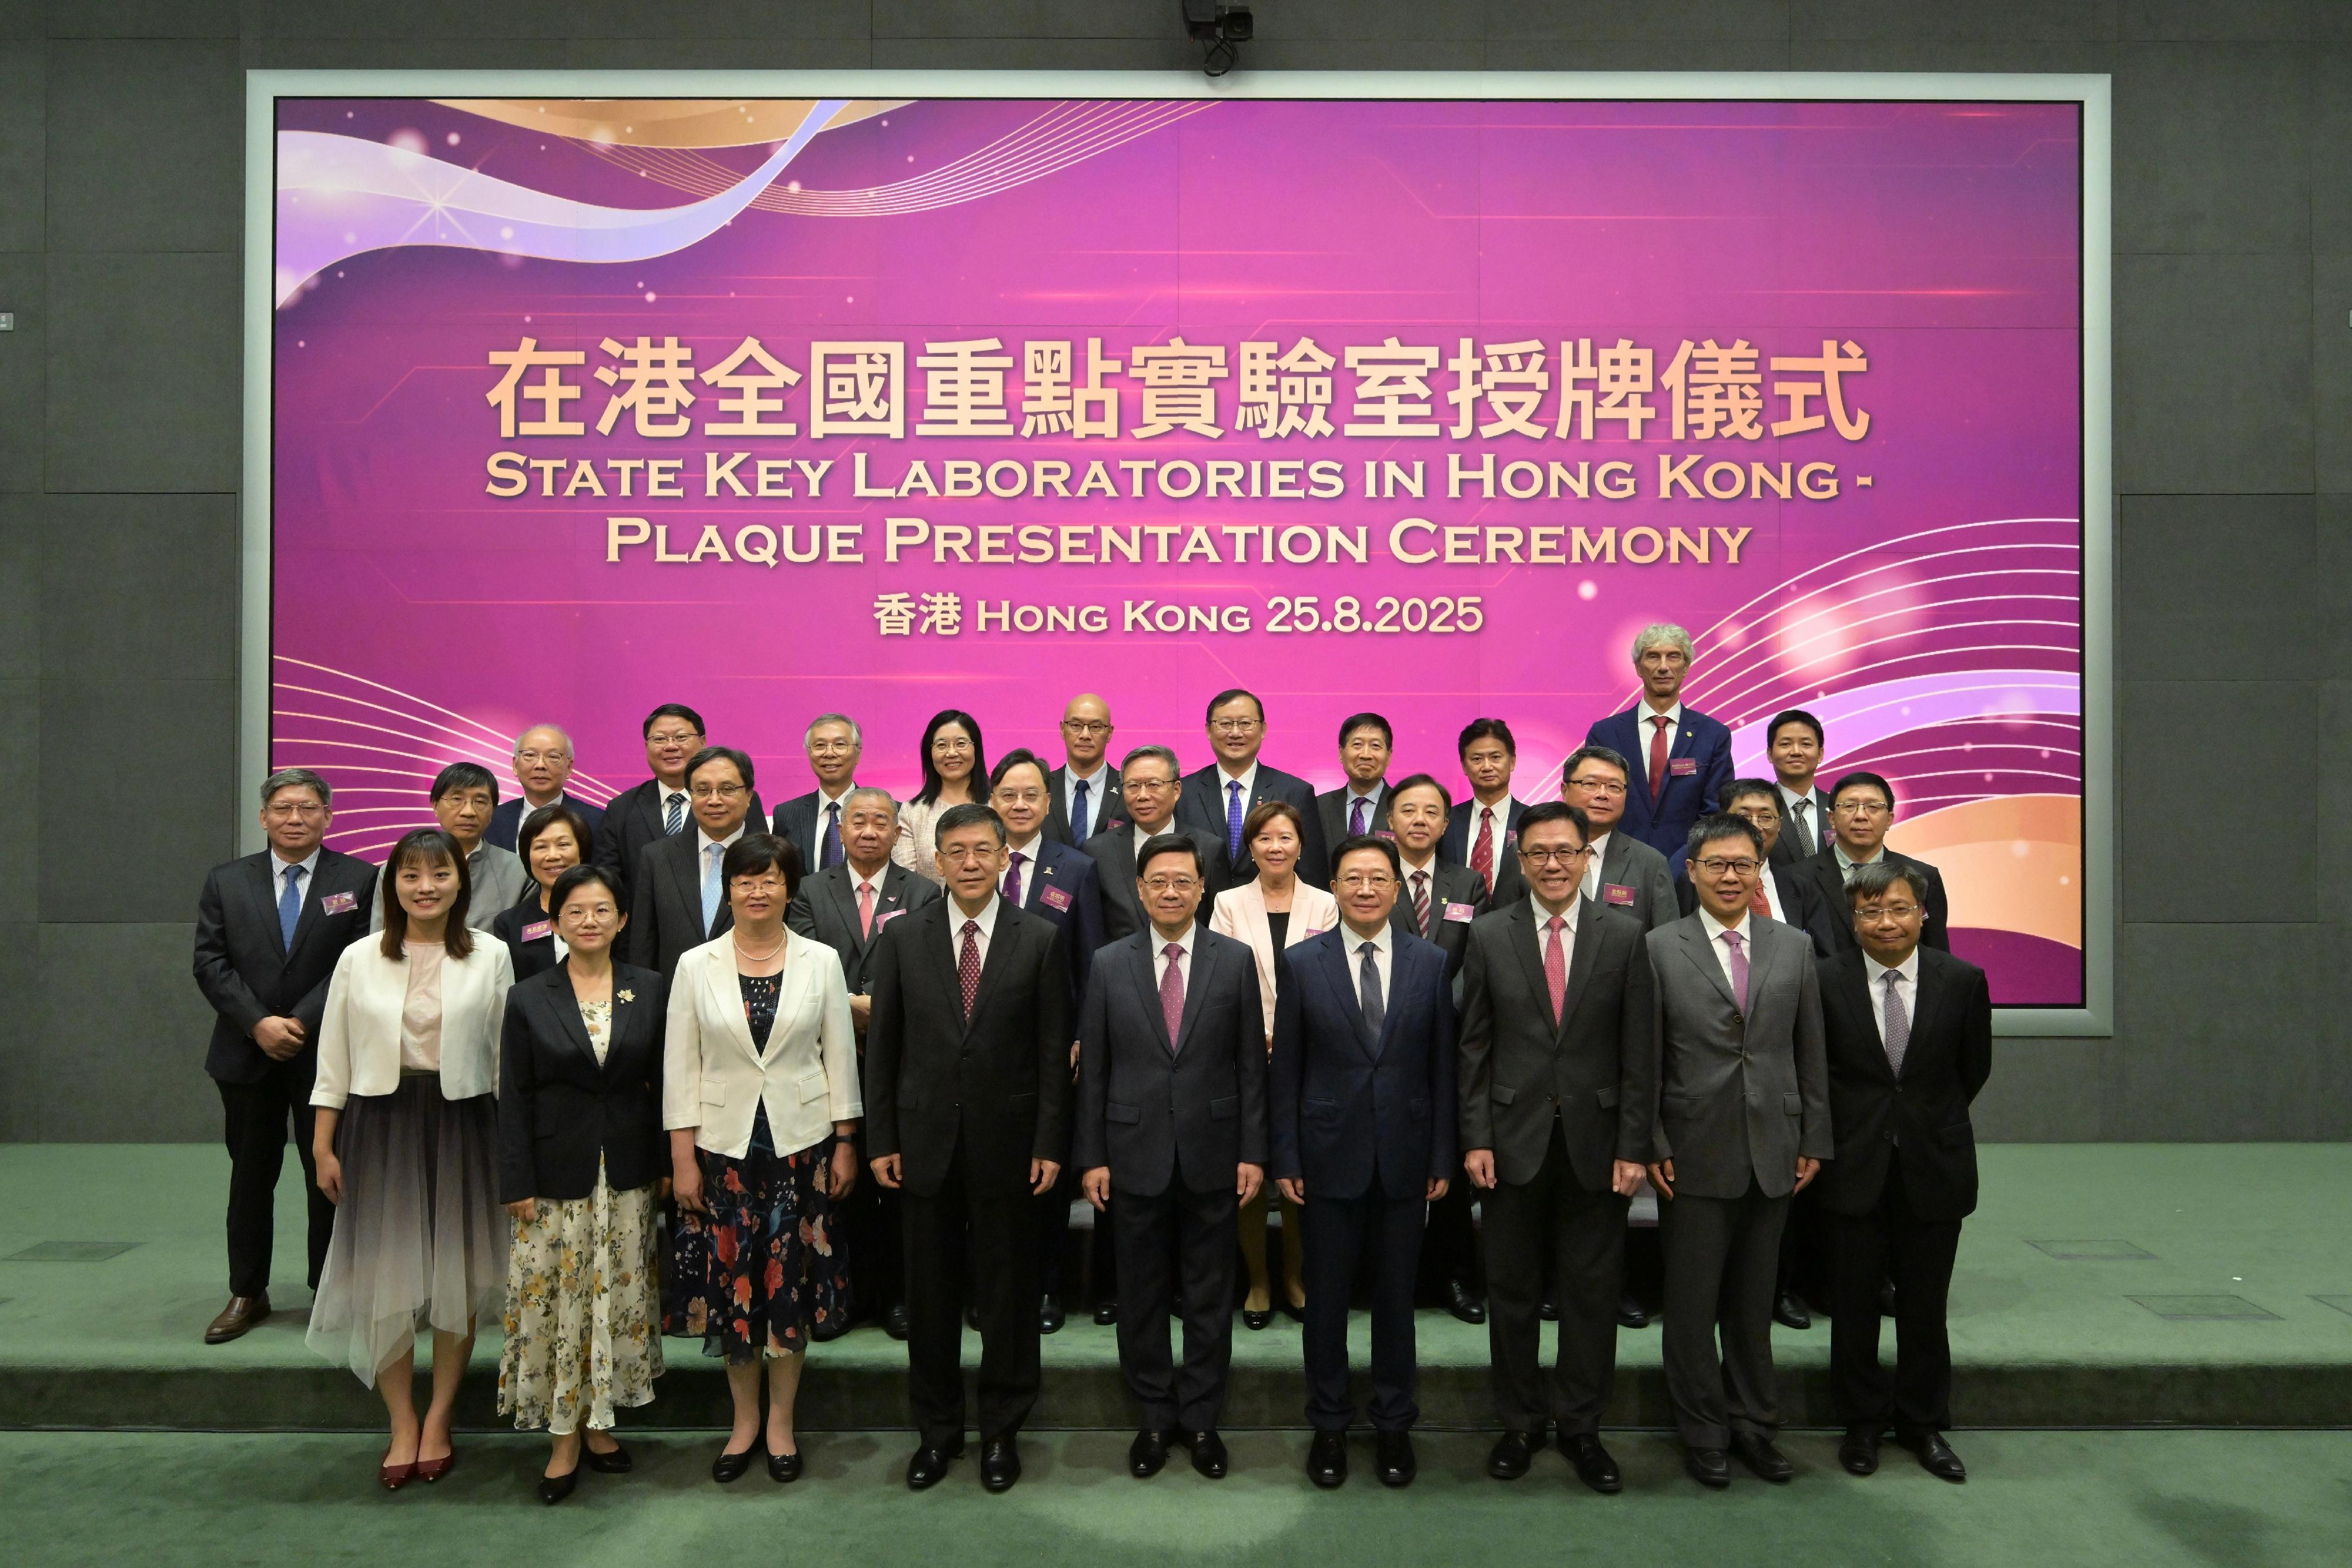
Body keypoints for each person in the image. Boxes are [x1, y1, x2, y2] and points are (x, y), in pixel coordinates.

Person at [865, 804, 1074, 1494]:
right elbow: (884, 1048)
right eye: (956, 852)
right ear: (939, 862)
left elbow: (1051, 1053)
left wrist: (1049, 1141)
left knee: (1007, 1299)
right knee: (929, 1301)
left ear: (1005, 856)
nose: (972, 863)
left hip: (1010, 1147)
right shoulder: (902, 939)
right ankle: (937, 1434)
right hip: (922, 1146)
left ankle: (1001, 1433)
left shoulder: (1039, 938)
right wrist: (882, 1137)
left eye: (985, 850)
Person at [306, 829, 515, 1489]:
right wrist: (322, 1141)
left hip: (466, 1121)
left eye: (440, 874)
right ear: (392, 886)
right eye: (411, 876)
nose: (426, 887)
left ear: (462, 882)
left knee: (458, 1270)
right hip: (380, 1122)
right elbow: (332, 1057)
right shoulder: (359, 958)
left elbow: (508, 1059)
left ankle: (441, 1417)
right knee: (386, 1277)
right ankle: (401, 1419)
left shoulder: (493, 955)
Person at [1456, 801, 1655, 1494]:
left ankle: (1581, 1427)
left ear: (1585, 857)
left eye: (1565, 852)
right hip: (1510, 1144)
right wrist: (1475, 1135)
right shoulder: (1487, 935)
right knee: (1509, 1292)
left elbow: (1640, 1049)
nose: (1551, 864)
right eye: (1538, 852)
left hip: (1599, 1147)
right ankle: (1518, 1423)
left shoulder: (1625, 935)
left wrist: (1635, 1144)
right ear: (1519, 859)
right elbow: (1473, 1045)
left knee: (1591, 1294)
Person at [664, 834, 860, 1485]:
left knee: (787, 1289)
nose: (756, 890)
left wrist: (845, 1140)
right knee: (733, 1288)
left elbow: (839, 1055)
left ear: (788, 887)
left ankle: (781, 1421)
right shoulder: (696, 964)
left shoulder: (820, 960)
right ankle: (742, 1420)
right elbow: (679, 1066)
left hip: (800, 1149)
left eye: (769, 878)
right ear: (729, 888)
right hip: (722, 1152)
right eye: (744, 879)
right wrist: (682, 1156)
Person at [1645, 814, 1831, 1490]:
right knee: (1693, 1305)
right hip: (1691, 1148)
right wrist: (1653, 1139)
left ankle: (1754, 1424)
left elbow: (1809, 1050)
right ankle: (1701, 1431)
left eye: (1742, 865)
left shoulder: (1794, 947)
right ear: (1690, 872)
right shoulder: (1660, 947)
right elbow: (1648, 1056)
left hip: (1776, 1146)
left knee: (1753, 1305)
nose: (1730, 876)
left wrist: (1813, 1135)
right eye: (1716, 865)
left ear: (1761, 872)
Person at [1074, 834, 1267, 1481]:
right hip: (1131, 1154)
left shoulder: (1234, 960)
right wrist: (1092, 1156)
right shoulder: (1108, 963)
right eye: (1158, 881)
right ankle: (1155, 1416)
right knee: (1141, 1293)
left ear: (1202, 887)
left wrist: (1252, 1151)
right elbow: (1094, 1071)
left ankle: (1203, 1417)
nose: (1170, 891)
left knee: (1211, 1294)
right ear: (1139, 888)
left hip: (1215, 1154)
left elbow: (1250, 1068)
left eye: (1183, 881)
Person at [1271, 834, 1456, 1490]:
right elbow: (1286, 1070)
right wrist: (1286, 1154)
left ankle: (1393, 1424)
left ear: (1397, 889)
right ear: (1335, 888)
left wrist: (1441, 1153)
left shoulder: (1430, 962)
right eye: (1353, 878)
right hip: (1324, 1159)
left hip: (1406, 1158)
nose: (1367, 889)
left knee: (1394, 1302)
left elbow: (1442, 1069)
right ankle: (1328, 1424)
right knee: (1324, 1301)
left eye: (1379, 878)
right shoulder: (1301, 962)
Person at [495, 863, 667, 1504]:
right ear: (556, 921)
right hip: (552, 1176)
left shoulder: (648, 988)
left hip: (626, 1173)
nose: (589, 921)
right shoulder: (529, 995)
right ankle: (561, 1437)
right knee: (555, 1302)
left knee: (614, 1298)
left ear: (622, 919)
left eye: (602, 910)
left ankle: (600, 1424)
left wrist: (671, 1165)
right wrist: (515, 1177)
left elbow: (664, 1084)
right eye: (576, 912)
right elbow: (512, 1096)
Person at [192, 768, 378, 1344]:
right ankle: (248, 1289)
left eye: (307, 808)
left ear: (328, 815)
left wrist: (301, 1020)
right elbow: (210, 963)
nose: (295, 818)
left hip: (326, 1051)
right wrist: (259, 1023)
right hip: (246, 1055)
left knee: (327, 1173)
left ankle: (330, 1288)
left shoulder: (360, 877)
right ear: (263, 817)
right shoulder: (227, 880)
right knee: (250, 1174)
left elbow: (361, 957)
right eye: (283, 808)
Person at [1819, 861, 1990, 1485]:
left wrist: (1919, 1122)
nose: (1885, 922)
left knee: (1925, 1304)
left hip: (1932, 1163)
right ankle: (1860, 1422)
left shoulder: (1962, 980)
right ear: (1852, 918)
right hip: (1852, 1162)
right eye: (1869, 911)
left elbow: (1972, 1069)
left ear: (1922, 914)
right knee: (1854, 1303)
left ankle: (1922, 1424)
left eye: (1897, 909)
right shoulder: (1824, 981)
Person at [786, 788, 942, 1339]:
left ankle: (899, 1296)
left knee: (897, 1185)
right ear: (842, 829)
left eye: (882, 821)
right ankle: (841, 1294)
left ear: (898, 831)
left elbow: (923, 962)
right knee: (838, 1186)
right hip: (827, 1058)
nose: (870, 830)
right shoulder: (808, 889)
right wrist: (849, 1004)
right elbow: (802, 960)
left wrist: (874, 1003)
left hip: (901, 1058)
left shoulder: (923, 891)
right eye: (859, 820)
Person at [990, 748, 1108, 1332]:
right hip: (983, 1051)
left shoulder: (1076, 867)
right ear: (993, 802)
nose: (1019, 804)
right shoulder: (973, 860)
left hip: (1052, 1050)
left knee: (1048, 1177)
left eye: (1031, 794)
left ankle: (1046, 1289)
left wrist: (1083, 1037)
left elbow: (1091, 965)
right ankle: (990, 1289)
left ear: (1048, 801)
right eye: (1008, 794)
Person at [1208, 800, 1336, 1329]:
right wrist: (1257, 1035)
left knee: (1301, 1174)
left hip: (1311, 1057)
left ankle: (1296, 1276)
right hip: (1244, 1054)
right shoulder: (1227, 901)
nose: (1276, 846)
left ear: (1301, 845)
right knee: (1251, 1174)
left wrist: (1290, 1036)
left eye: (1286, 837)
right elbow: (1220, 978)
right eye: (1264, 838)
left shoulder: (1326, 903)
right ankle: (1259, 1279)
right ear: (1251, 847)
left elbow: (1328, 981)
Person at [1387, 773, 1489, 1326]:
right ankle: (1396, 1277)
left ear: (1446, 824)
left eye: (1431, 811)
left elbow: (1478, 958)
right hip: (1386, 1040)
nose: (1420, 820)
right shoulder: (1371, 874)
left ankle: (1454, 1276)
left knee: (1447, 1165)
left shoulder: (1467, 881)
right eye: (1409, 810)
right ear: (1391, 819)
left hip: (1451, 1040)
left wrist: (1436, 1012)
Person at [1585, 623, 1735, 857]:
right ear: (1638, 667)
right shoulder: (1605, 734)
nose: (1663, 667)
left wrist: (1683, 864)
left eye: (1673, 657)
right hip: (1616, 863)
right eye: (1653, 657)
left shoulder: (1714, 735)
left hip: (1688, 869)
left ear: (1686, 667)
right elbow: (1593, 806)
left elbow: (1715, 814)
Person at [1177, 687, 1328, 890]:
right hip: (1200, 916)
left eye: (1246, 723)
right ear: (1208, 731)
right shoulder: (1183, 793)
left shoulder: (1296, 793)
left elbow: (1312, 877)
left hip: (1272, 915)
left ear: (1263, 730)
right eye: (1225, 724)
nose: (1236, 732)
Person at [1669, 781, 1841, 959]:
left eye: (1766, 817)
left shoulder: (1801, 886)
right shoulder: (1694, 881)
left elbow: (1823, 958)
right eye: (1743, 817)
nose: (1755, 826)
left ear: (1779, 824)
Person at [624, 745, 754, 981]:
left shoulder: (773, 858)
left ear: (749, 796)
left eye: (727, 789)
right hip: (674, 1002)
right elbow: (644, 945)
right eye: (702, 790)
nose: (714, 800)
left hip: (752, 1002)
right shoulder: (657, 857)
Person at [596, 704, 768, 877]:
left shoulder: (740, 800)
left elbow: (762, 862)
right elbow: (608, 878)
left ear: (703, 742)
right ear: (646, 746)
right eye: (660, 739)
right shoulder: (621, 808)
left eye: (681, 737)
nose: (670, 746)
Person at [1790, 770, 1952, 955]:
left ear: (1890, 820)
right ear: (1832, 819)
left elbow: (1936, 956)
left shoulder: (1924, 876)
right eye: (1849, 806)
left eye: (1873, 807)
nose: (1861, 816)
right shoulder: (1797, 877)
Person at [1083, 745, 1224, 944]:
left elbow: (1217, 927)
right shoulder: (1098, 851)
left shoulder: (1209, 848)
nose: (1142, 795)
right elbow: (1091, 932)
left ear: (1176, 790)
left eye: (1153, 785)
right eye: (1133, 786)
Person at [375, 763, 527, 930]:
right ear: (435, 806)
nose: (468, 812)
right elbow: (381, 939)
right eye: (456, 799)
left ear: (493, 810)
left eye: (480, 801)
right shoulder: (399, 870)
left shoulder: (519, 871)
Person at [1563, 745, 1676, 935]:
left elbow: (1666, 944)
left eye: (1614, 787)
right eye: (1590, 784)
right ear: (1565, 791)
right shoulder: (1530, 853)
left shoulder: (1650, 863)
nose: (1602, 795)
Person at [492, 804, 592, 982]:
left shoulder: (608, 913)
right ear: (527, 857)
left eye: (563, 844)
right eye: (541, 847)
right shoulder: (509, 924)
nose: (552, 855)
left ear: (581, 851)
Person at [893, 709, 987, 885]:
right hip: (928, 911)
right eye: (942, 745)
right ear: (930, 753)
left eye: (961, 743)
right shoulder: (912, 812)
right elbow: (905, 886)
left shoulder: (997, 805)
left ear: (976, 748)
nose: (951, 753)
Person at [1442, 717, 1528, 904]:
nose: (1487, 767)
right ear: (1464, 766)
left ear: (1512, 761)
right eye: (1477, 759)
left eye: (1496, 757)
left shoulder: (1532, 822)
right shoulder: (1445, 822)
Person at [487, 724, 605, 852]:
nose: (540, 765)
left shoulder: (596, 821)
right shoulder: (492, 819)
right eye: (530, 755)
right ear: (515, 765)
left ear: (569, 768)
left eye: (553, 757)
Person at [771, 713, 863, 872]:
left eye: (840, 744)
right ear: (809, 753)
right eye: (819, 746)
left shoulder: (887, 811)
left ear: (858, 754)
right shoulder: (786, 814)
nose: (829, 753)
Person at [1045, 693, 1124, 847]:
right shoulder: (1041, 787)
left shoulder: (1128, 788)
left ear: (1109, 733)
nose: (1085, 735)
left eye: (1096, 727)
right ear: (1062, 729)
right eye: (1076, 726)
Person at [1314, 711, 1394, 850]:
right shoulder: (1318, 807)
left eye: (1375, 746)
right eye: (1357, 744)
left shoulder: (1404, 808)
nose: (1366, 755)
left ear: (1389, 756)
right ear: (1341, 753)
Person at [1765, 709, 1832, 867]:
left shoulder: (1838, 808)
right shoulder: (1758, 811)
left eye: (1806, 744)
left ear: (1820, 754)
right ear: (1770, 754)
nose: (1796, 752)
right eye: (1786, 744)